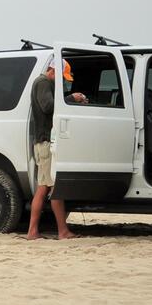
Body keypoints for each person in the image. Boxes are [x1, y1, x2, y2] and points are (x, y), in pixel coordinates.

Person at [26, 56, 87, 240]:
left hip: (43, 141)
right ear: (53, 71)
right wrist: (71, 98)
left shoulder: (43, 82)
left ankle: (53, 231)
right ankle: (51, 232)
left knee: (48, 187)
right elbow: (48, 106)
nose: (62, 81)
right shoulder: (43, 82)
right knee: (48, 188)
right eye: (62, 76)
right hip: (45, 142)